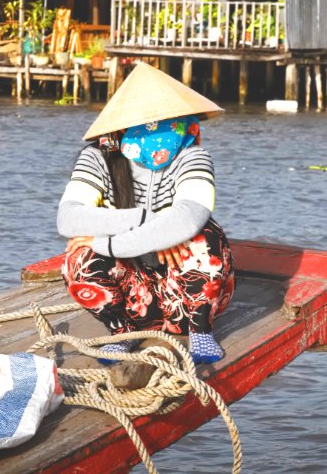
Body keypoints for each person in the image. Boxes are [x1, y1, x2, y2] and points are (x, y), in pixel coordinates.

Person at [57, 62, 235, 364]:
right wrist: (147, 222)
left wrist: (109, 239)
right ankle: (122, 331)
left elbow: (190, 214)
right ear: (124, 127)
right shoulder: (97, 158)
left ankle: (200, 331)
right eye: (149, 123)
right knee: (78, 258)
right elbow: (69, 218)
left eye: (168, 121)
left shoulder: (194, 156)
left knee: (205, 236)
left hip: (186, 296)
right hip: (135, 300)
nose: (159, 130)